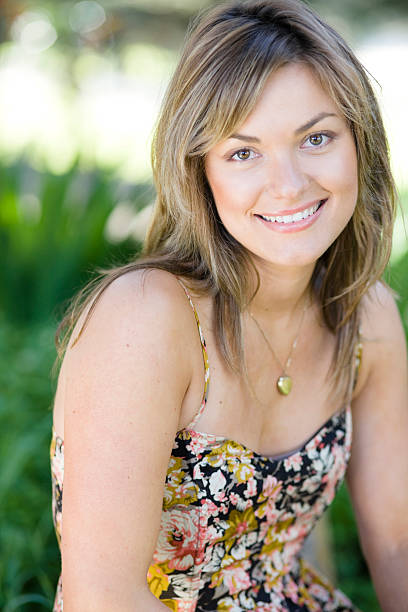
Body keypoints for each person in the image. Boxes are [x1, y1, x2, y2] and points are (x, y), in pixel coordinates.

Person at [50, 0, 408, 610]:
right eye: (243, 152)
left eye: (316, 138)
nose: (290, 184)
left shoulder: (365, 312)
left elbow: (398, 539)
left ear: (360, 144)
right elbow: (101, 593)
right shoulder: (147, 319)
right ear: (200, 172)